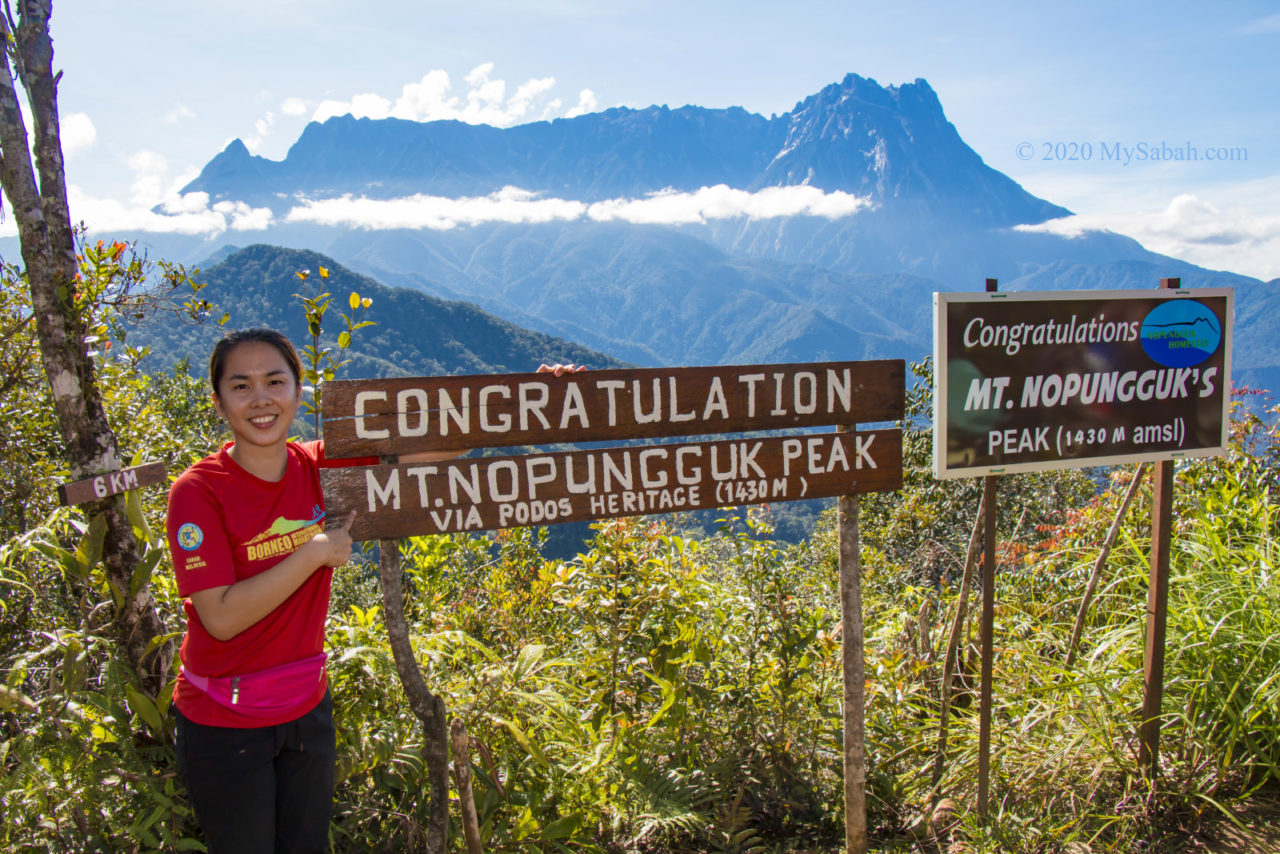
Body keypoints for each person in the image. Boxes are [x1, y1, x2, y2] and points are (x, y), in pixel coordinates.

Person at [166, 327, 585, 852]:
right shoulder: (199, 492)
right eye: (241, 386)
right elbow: (220, 618)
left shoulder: (320, 466)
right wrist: (315, 551)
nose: (261, 399)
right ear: (219, 401)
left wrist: (522, 400)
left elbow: (420, 457)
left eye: (275, 381)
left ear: (298, 390)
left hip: (305, 707)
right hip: (224, 722)